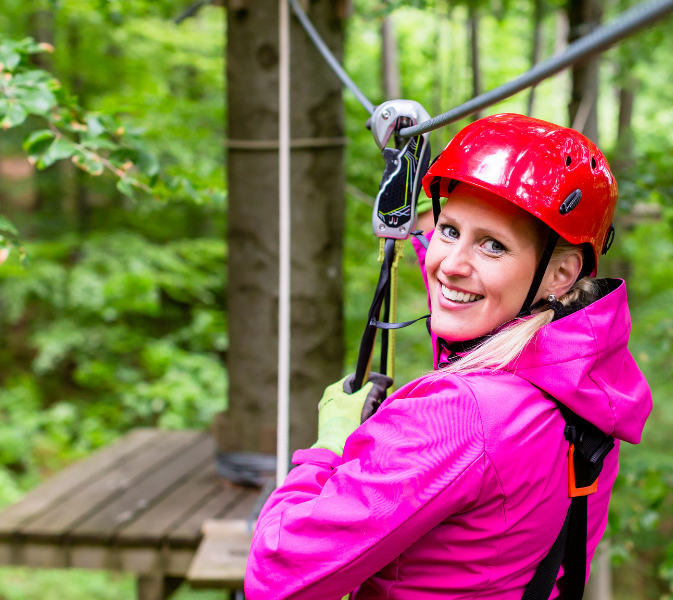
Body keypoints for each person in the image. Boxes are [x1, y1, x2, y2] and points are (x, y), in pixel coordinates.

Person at [245, 114, 652, 600]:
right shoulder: (587, 384)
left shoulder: (457, 414)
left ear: (561, 273)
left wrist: (328, 448)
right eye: (449, 229)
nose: (452, 265)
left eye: (493, 246)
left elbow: (275, 575)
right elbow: (466, 289)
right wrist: (415, 198)